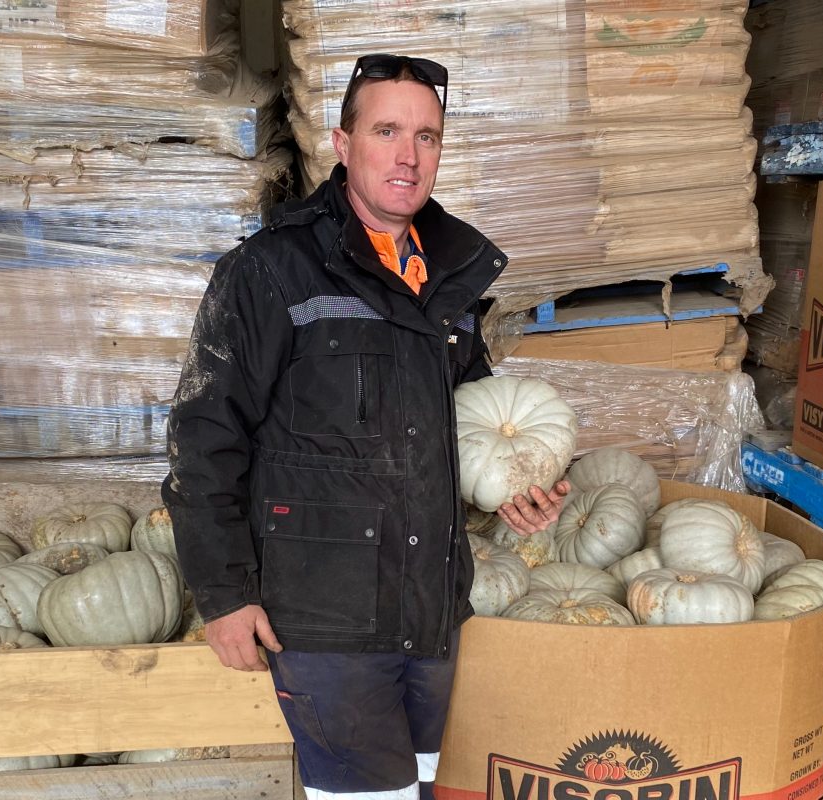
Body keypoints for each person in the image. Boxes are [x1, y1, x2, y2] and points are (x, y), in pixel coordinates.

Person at [162, 53, 569, 800]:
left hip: (434, 613)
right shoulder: (270, 271)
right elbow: (204, 438)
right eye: (386, 130)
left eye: (428, 136)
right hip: (328, 625)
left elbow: (469, 424)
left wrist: (513, 487)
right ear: (343, 144)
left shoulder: (450, 278)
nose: (409, 155)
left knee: (422, 787)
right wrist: (223, 594)